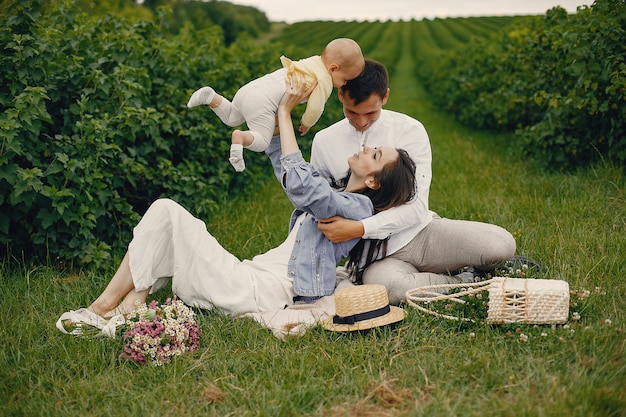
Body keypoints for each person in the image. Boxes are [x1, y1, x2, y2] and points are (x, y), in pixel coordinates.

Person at [57, 74, 416, 339]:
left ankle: (102, 308)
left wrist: (287, 113)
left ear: (373, 181)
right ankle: (128, 305)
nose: (366, 147)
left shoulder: (358, 210)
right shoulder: (337, 190)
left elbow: (306, 188)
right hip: (254, 276)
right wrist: (276, 118)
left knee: (167, 210)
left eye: (375, 154)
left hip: (262, 290)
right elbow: (290, 174)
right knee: (171, 222)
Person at [310, 59, 518, 305]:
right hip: (375, 257)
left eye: (370, 113)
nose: (362, 122)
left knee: (501, 245)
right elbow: (316, 202)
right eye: (352, 112)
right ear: (341, 94)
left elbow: (417, 206)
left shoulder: (410, 130)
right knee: (389, 289)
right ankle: (468, 279)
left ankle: (432, 273)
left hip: (420, 234)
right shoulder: (324, 141)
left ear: (385, 97)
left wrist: (360, 228)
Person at [187, 38, 365, 172]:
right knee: (263, 141)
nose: (343, 84)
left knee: (232, 117)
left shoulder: (312, 61)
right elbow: (316, 107)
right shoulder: (324, 80)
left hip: (251, 88)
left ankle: (212, 97)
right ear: (333, 69)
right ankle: (240, 138)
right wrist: (307, 123)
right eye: (345, 79)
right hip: (262, 102)